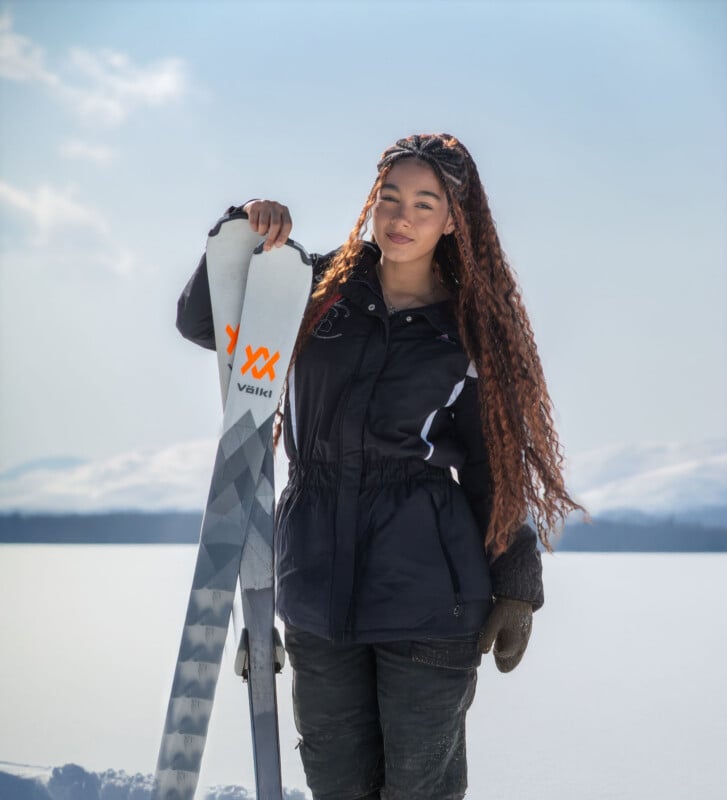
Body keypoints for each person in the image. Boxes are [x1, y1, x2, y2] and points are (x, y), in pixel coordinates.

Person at [176, 133, 585, 800]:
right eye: (389, 197)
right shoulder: (312, 290)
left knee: (416, 789)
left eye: (424, 204)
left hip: (430, 600)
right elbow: (205, 322)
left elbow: (491, 468)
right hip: (313, 584)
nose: (400, 218)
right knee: (336, 783)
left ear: (454, 220)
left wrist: (515, 582)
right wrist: (238, 228)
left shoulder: (465, 329)